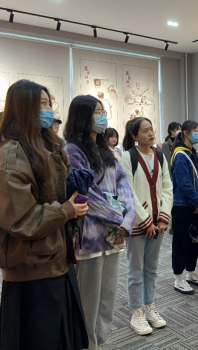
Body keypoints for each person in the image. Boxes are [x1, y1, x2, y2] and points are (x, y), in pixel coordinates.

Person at [0, 79, 88, 349]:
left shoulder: (48, 147)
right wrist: (66, 210)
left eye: (49, 103)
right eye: (41, 104)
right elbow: (20, 219)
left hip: (54, 259)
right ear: (23, 107)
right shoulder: (12, 154)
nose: (48, 110)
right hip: (32, 267)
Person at [65, 95, 136, 350]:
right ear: (82, 116)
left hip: (113, 237)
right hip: (89, 239)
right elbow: (86, 194)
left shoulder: (106, 150)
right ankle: (88, 345)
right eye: (96, 112)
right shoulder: (72, 151)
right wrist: (119, 218)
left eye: (102, 111)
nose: (102, 116)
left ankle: (99, 342)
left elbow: (123, 183)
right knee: (89, 300)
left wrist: (127, 220)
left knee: (107, 298)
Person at [120, 117, 172, 336]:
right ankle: (136, 311)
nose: (151, 134)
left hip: (158, 224)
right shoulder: (127, 157)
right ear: (134, 136)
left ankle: (149, 306)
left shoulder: (159, 155)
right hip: (138, 224)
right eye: (145, 131)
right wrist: (146, 220)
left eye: (151, 129)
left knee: (152, 267)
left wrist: (163, 217)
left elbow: (167, 187)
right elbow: (127, 192)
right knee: (135, 270)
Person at [170, 120, 198, 295]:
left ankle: (191, 271)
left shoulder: (195, 155)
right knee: (181, 242)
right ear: (185, 133)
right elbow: (184, 184)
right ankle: (179, 277)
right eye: (194, 130)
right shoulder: (180, 155)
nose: (197, 133)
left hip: (196, 205)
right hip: (182, 205)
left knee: (194, 240)